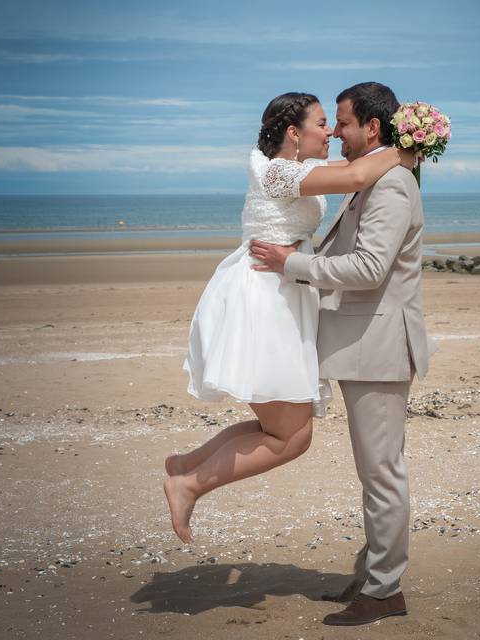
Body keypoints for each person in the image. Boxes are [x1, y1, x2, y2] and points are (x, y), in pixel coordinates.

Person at [165, 92, 416, 545]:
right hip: (264, 298)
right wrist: (408, 150)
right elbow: (359, 174)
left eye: (336, 123)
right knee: (292, 437)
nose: (332, 132)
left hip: (281, 295)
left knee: (278, 427)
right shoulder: (279, 170)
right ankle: (188, 483)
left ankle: (186, 466)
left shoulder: (294, 170)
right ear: (294, 134)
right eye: (323, 124)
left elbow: (355, 174)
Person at [249, 81, 435, 626]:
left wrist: (291, 265)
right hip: (364, 344)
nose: (337, 132)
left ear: (372, 128)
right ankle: (370, 574)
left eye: (344, 122)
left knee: (381, 472)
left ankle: (383, 591)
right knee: (374, 470)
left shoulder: (392, 184)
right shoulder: (373, 179)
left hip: (378, 346)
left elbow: (369, 269)